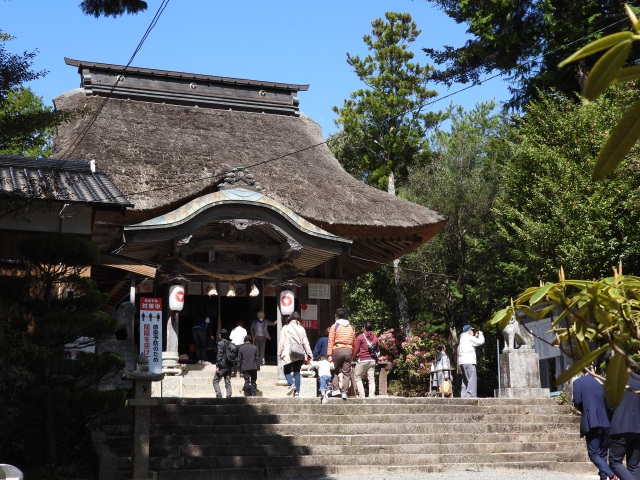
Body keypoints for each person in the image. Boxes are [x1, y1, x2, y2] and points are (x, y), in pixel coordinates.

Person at [572, 371, 616, 480]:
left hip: (591, 421)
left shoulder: (578, 382)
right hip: (606, 421)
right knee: (603, 454)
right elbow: (609, 402)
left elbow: (577, 401)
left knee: (593, 454)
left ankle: (611, 475)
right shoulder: (603, 380)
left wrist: (586, 410)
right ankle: (603, 477)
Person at [609, 371, 640, 480]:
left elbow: (610, 404)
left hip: (621, 424)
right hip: (638, 427)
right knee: (634, 465)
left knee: (614, 462)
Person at [278, 311, 312, 398]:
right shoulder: (302, 329)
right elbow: (306, 343)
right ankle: (297, 393)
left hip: (288, 353)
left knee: (286, 371)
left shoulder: (285, 328)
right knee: (297, 373)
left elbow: (281, 342)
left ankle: (291, 384)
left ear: (290, 318)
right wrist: (309, 354)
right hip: (299, 354)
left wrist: (279, 353)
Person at [327, 307, 356, 400]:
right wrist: (353, 355)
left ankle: (335, 390)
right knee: (346, 373)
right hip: (348, 350)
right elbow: (354, 341)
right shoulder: (351, 327)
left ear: (337, 316)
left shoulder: (334, 326)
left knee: (334, 370)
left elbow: (331, 340)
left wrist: (329, 355)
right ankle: (344, 392)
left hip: (337, 349)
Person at [457, 324, 484, 398]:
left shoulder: (462, 338)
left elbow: (471, 342)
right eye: (471, 330)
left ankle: (464, 395)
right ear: (468, 331)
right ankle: (471, 395)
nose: (472, 331)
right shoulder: (468, 337)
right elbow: (480, 342)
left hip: (462, 362)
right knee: (471, 378)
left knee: (465, 379)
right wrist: (480, 335)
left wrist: (474, 336)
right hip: (469, 361)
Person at [353, 322, 378, 398]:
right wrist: (376, 360)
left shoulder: (360, 337)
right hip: (372, 360)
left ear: (364, 328)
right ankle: (371, 395)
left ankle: (362, 395)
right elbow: (377, 350)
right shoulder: (375, 338)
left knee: (357, 376)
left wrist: (352, 357)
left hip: (363, 359)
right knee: (371, 378)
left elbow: (356, 350)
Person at [212, 329, 233, 398]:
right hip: (230, 364)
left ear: (221, 335)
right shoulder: (230, 343)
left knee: (215, 380)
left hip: (223, 365)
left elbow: (219, 355)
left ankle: (219, 395)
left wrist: (217, 365)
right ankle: (229, 395)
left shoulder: (220, 343)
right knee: (227, 380)